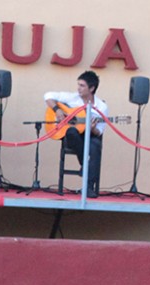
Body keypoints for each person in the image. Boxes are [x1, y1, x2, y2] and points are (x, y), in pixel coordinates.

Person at [44, 70, 107, 198]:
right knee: (71, 131)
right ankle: (85, 164)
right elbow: (47, 95)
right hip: (74, 137)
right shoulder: (72, 98)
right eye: (78, 84)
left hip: (90, 135)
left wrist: (92, 128)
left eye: (82, 86)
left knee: (95, 146)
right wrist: (57, 110)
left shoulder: (102, 107)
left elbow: (100, 131)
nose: (78, 88)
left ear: (92, 88)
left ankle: (88, 187)